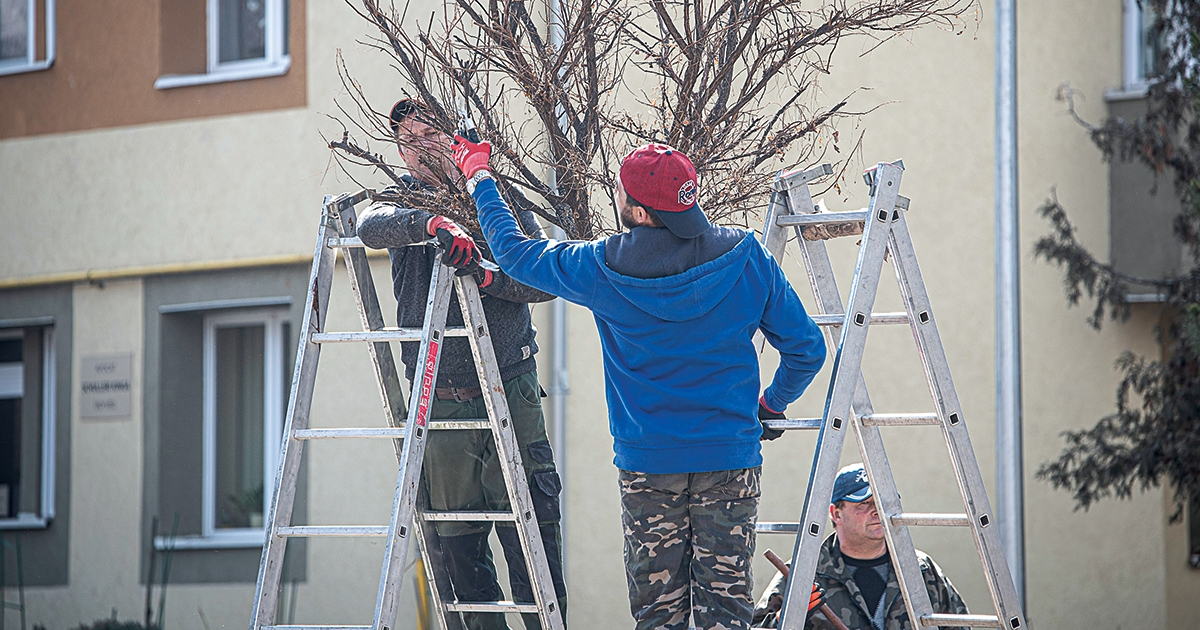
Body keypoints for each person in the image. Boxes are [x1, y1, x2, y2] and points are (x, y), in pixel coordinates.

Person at [449, 136, 828, 629]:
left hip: (649, 468)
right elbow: (807, 350)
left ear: (641, 213)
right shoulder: (747, 255)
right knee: (727, 614)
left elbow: (516, 255)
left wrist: (480, 175)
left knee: (657, 616)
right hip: (729, 462)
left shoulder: (602, 268)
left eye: (624, 195)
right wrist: (772, 405)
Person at [356, 99, 567, 630]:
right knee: (461, 562)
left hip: (509, 389)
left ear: (455, 139)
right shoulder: (397, 203)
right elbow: (368, 224)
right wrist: (430, 224)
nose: (420, 146)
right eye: (407, 139)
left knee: (534, 548)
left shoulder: (497, 199)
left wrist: (487, 271)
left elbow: (541, 279)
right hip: (441, 406)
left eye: (430, 133)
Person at [752, 463, 969, 630]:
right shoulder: (804, 573)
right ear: (836, 514)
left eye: (882, 502)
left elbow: (960, 625)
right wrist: (785, 618)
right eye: (864, 503)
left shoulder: (920, 569)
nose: (877, 511)